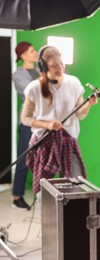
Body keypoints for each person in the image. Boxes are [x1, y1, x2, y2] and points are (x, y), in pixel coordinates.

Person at [20, 46, 98, 196]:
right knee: (42, 192)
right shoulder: (34, 88)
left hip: (68, 141)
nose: (60, 68)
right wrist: (48, 124)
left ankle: (71, 218)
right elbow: (25, 118)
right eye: (54, 65)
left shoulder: (73, 83)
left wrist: (88, 104)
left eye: (61, 63)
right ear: (44, 67)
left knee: (75, 184)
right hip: (44, 142)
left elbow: (80, 115)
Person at [11, 41, 40, 210]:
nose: (35, 52)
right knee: (24, 159)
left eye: (34, 50)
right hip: (28, 122)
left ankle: (45, 195)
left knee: (45, 159)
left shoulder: (41, 70)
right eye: (31, 51)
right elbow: (31, 91)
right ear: (23, 55)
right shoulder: (18, 74)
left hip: (45, 121)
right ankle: (17, 197)